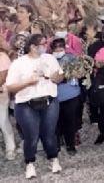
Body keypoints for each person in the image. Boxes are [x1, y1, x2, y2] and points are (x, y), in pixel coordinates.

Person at [5, 34, 64, 179]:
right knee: (31, 136)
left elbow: (60, 76)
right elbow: (10, 87)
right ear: (33, 47)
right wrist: (28, 83)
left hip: (49, 101)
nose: (46, 46)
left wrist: (56, 77)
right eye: (43, 43)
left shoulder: (49, 59)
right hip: (26, 104)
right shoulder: (19, 63)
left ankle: (53, 159)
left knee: (49, 134)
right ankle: (30, 163)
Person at [50, 38, 81, 155]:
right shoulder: (49, 59)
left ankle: (70, 145)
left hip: (70, 95)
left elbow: (79, 72)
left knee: (70, 121)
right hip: (54, 96)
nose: (58, 50)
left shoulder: (72, 58)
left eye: (61, 48)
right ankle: (56, 145)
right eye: (56, 48)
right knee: (55, 122)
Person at [0, 36, 15, 161]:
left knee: (3, 121)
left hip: (1, 94)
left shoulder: (3, 57)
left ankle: (10, 148)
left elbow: (3, 77)